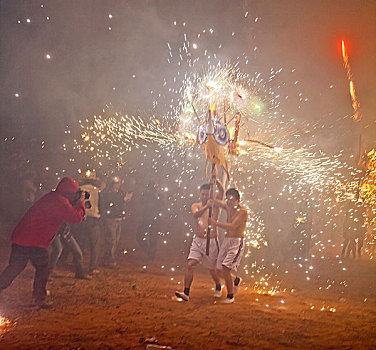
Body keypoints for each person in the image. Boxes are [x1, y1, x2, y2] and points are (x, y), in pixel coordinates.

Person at [0, 177, 85, 308]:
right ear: (69, 193)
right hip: (34, 241)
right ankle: (39, 299)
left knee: (14, 268)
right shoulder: (60, 202)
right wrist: (81, 203)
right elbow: (75, 217)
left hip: (22, 238)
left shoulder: (52, 197)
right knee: (43, 268)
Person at [175, 172, 224, 302]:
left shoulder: (215, 205)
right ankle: (186, 292)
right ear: (200, 194)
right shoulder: (195, 205)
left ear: (210, 195)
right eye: (202, 194)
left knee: (213, 269)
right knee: (190, 264)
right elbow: (196, 215)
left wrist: (216, 180)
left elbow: (222, 191)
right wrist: (206, 207)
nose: (204, 196)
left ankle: (218, 286)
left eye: (207, 194)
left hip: (211, 241)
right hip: (198, 241)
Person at [209, 188, 248, 304]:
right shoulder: (228, 206)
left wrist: (215, 223)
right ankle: (235, 280)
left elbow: (232, 226)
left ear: (238, 200)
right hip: (227, 240)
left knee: (226, 268)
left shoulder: (242, 211)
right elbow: (215, 201)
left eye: (232, 200)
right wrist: (215, 180)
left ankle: (230, 296)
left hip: (237, 242)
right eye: (228, 199)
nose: (229, 202)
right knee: (218, 270)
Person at [100, 177, 132, 267]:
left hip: (118, 218)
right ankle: (109, 260)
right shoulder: (108, 193)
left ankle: (107, 258)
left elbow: (122, 204)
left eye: (119, 183)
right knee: (111, 240)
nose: (118, 185)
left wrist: (126, 200)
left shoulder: (120, 192)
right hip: (110, 218)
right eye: (116, 183)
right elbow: (111, 203)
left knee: (115, 240)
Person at [76, 170, 102, 275]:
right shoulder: (97, 190)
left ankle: (79, 266)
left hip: (81, 218)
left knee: (80, 244)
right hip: (93, 219)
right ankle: (92, 267)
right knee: (94, 245)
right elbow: (101, 205)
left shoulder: (79, 189)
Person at [136, 181, 161, 261]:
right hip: (147, 219)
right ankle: (149, 252)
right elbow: (141, 202)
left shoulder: (158, 196)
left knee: (153, 238)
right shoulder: (147, 195)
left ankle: (151, 255)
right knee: (140, 235)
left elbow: (162, 206)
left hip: (154, 220)